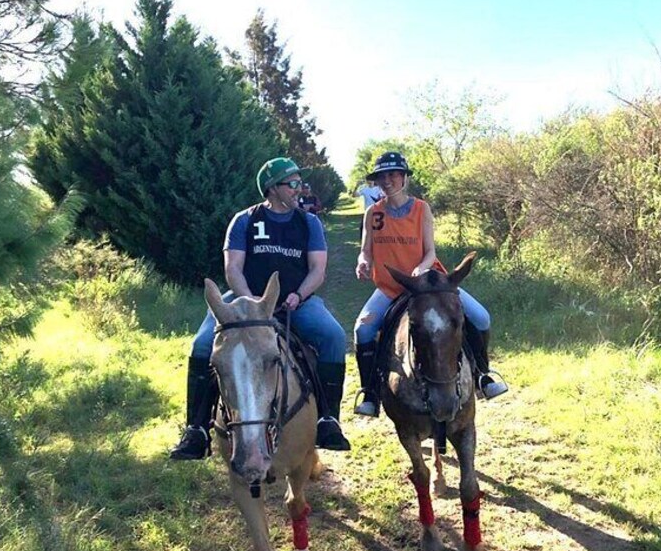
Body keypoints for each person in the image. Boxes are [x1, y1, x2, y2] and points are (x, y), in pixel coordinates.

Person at [170, 156, 351, 460]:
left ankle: (328, 419)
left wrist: (299, 294)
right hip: (244, 302)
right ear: (272, 188)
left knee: (333, 336)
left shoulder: (309, 223)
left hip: (296, 302)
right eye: (292, 183)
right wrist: (254, 304)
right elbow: (233, 269)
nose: (299, 189)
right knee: (202, 344)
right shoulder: (244, 221)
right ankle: (196, 430)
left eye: (299, 183)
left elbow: (318, 269)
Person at [352, 151, 507, 417]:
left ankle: (483, 376)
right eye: (382, 177)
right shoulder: (372, 213)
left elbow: (430, 252)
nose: (387, 181)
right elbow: (366, 249)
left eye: (392, 175)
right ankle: (370, 393)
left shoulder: (421, 208)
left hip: (430, 284)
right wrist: (363, 261)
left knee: (480, 317)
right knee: (363, 332)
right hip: (391, 287)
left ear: (403, 177)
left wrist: (421, 270)